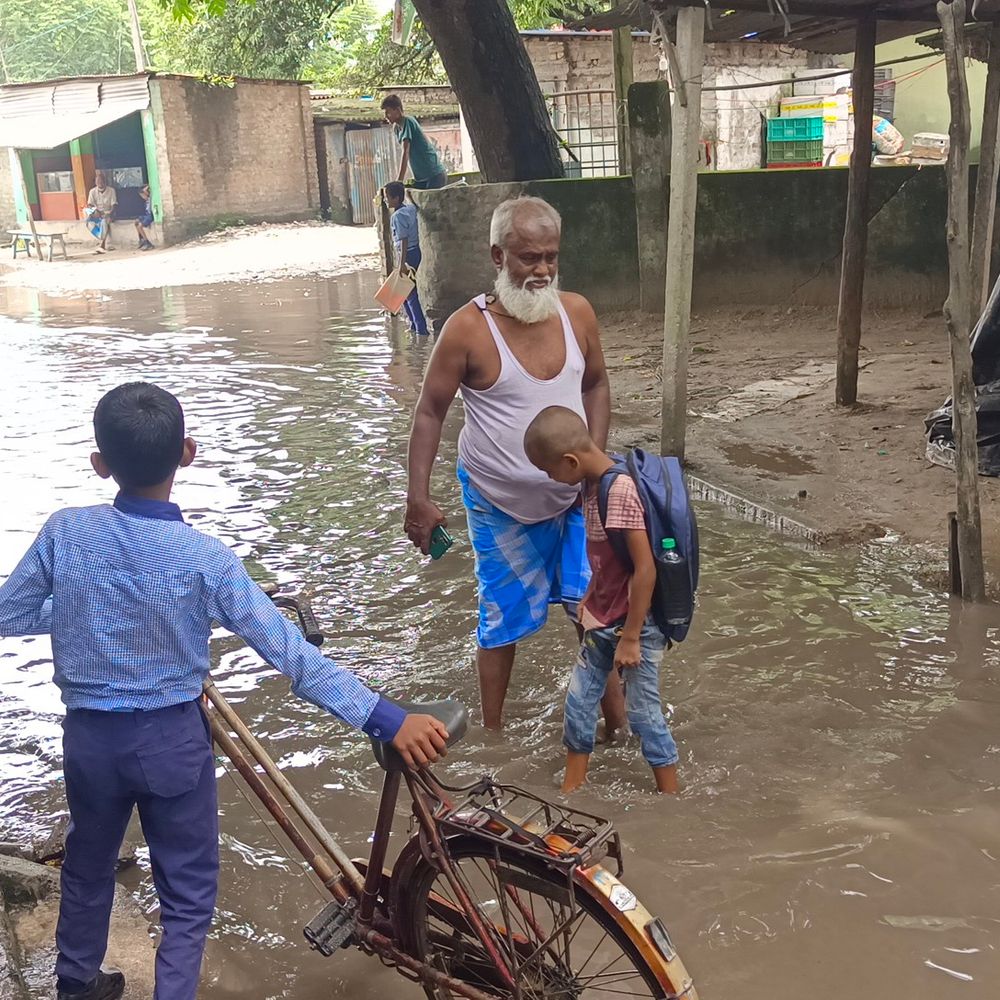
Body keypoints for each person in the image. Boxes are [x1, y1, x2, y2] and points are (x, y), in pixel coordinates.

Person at [0, 382, 449, 1000]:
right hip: (170, 743)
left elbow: (10, 613)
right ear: (186, 453)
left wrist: (91, 606)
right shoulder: (205, 558)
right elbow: (291, 656)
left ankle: (76, 982)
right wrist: (383, 716)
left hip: (90, 740)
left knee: (87, 863)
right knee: (185, 895)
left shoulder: (65, 533)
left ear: (99, 464)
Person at [404, 196, 625, 733]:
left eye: (551, 257)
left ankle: (621, 730)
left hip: (576, 498)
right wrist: (418, 495)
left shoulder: (577, 313)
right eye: (529, 258)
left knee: (595, 612)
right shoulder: (466, 329)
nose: (543, 270)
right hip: (498, 504)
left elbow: (596, 385)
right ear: (498, 256)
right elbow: (430, 411)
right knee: (501, 620)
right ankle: (496, 737)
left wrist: (592, 471)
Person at [523, 406, 680, 795]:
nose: (550, 480)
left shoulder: (619, 490)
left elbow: (645, 569)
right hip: (601, 618)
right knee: (578, 705)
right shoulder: (590, 487)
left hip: (634, 627)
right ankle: (571, 788)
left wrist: (629, 638)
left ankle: (672, 795)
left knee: (643, 714)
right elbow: (605, 557)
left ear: (571, 461)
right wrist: (591, 598)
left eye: (549, 471)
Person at [384, 181, 428, 336]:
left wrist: (402, 264)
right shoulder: (410, 209)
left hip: (407, 254)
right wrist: (410, 196)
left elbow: (403, 240)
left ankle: (420, 329)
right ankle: (414, 326)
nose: (386, 200)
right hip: (415, 252)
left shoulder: (397, 216)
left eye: (387, 197)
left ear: (396, 198)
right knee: (405, 292)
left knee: (408, 293)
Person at [381, 94, 448, 190]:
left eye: (388, 112)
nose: (386, 116)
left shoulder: (408, 121)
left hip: (434, 175)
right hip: (420, 178)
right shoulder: (396, 128)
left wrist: (399, 181)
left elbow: (406, 152)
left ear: (397, 109)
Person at [86, 170, 116, 254]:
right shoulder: (92, 191)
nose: (100, 183)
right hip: (97, 213)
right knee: (88, 220)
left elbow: (114, 205)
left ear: (105, 182)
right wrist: (96, 211)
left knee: (105, 221)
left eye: (101, 181)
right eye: (98, 181)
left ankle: (102, 245)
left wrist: (109, 213)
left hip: (108, 213)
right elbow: (89, 204)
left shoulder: (111, 190)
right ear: (95, 182)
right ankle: (100, 237)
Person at [134, 184, 155, 251]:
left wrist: (147, 186)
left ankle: (147, 243)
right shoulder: (146, 201)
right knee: (136, 221)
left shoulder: (149, 197)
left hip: (150, 216)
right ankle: (141, 239)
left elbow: (144, 190)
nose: (142, 197)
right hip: (146, 215)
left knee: (140, 226)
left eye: (142, 195)